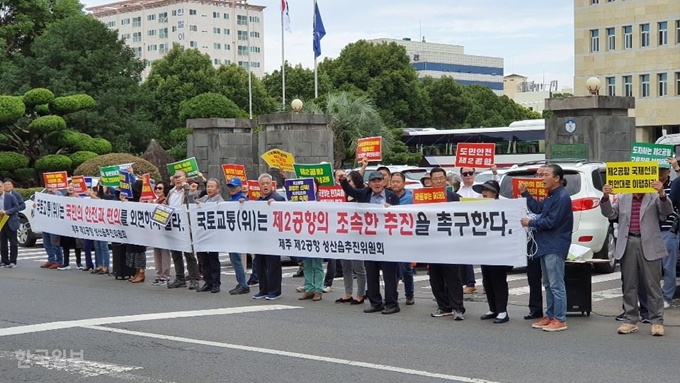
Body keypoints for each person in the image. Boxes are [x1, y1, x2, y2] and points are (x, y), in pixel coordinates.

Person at [600, 179, 672, 337]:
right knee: (629, 283)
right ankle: (630, 319)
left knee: (653, 284)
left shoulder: (653, 196)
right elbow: (610, 214)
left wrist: (661, 194)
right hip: (628, 241)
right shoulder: (623, 196)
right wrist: (605, 198)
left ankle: (657, 321)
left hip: (650, 242)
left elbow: (666, 212)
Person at [520, 164, 573, 332]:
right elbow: (538, 209)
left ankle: (560, 319)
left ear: (556, 178)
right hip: (545, 244)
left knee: (556, 284)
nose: (542, 178)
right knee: (548, 284)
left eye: (546, 175)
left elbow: (551, 222)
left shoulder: (562, 197)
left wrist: (531, 222)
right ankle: (550, 315)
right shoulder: (551, 195)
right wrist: (525, 194)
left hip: (554, 245)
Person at [339, 171, 401, 315]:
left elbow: (400, 215)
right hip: (369, 241)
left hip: (387, 241)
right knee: (371, 272)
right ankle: (376, 302)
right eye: (373, 181)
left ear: (384, 182)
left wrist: (391, 209)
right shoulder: (365, 194)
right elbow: (350, 191)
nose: (377, 183)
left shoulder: (391, 196)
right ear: (370, 183)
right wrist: (343, 181)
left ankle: (392, 303)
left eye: (379, 180)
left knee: (389, 274)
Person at [427, 167, 466, 321]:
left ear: (445, 180)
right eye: (435, 178)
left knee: (453, 276)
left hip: (450, 243)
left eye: (440, 178)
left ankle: (458, 308)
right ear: (430, 181)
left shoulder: (455, 197)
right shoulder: (423, 198)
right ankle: (444, 306)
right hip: (431, 243)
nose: (438, 181)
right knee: (435, 277)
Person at [473, 180, 512, 324]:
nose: (483, 192)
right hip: (485, 249)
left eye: (487, 190)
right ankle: (493, 308)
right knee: (487, 280)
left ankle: (502, 311)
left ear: (494, 193)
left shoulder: (504, 207)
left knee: (498, 280)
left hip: (499, 250)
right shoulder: (478, 207)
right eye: (482, 189)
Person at [249, 173, 286, 300]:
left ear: (272, 185)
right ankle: (263, 289)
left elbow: (284, 210)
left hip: (273, 238)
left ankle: (275, 291)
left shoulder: (277, 198)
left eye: (267, 183)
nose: (265, 185)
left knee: (273, 265)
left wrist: (276, 204)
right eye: (262, 183)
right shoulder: (258, 201)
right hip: (261, 238)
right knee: (260, 264)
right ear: (259, 186)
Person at [336, 170, 367, 305]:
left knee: (358, 267)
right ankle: (348, 293)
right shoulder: (344, 195)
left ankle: (360, 294)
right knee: (346, 266)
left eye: (349, 180)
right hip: (345, 233)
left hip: (358, 235)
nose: (347, 183)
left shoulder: (363, 194)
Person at [166, 170, 200, 290]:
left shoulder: (189, 191)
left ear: (185, 178)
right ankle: (180, 278)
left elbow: (192, 202)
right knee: (175, 254)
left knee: (189, 254)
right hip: (174, 226)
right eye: (175, 177)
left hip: (186, 226)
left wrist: (187, 189)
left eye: (179, 177)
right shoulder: (171, 192)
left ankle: (194, 278)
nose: (177, 179)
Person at [523, 165, 547, 320]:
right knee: (533, 275)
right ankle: (535, 308)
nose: (539, 178)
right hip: (530, 239)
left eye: (543, 175)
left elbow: (540, 211)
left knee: (551, 277)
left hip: (546, 238)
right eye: (537, 175)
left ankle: (555, 309)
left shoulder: (551, 195)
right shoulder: (524, 195)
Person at [195, 179, 224, 293]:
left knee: (213, 259)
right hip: (203, 233)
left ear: (218, 189)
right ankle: (208, 282)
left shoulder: (220, 201)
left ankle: (216, 283)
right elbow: (192, 201)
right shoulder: (204, 199)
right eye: (208, 186)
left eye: (212, 187)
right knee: (204, 259)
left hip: (213, 234)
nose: (209, 189)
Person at [391, 172, 415, 306]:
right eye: (393, 181)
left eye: (397, 181)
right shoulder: (387, 196)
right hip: (391, 236)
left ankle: (409, 294)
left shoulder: (411, 198)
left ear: (403, 183)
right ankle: (392, 293)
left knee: (406, 268)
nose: (395, 184)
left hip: (406, 236)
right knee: (392, 268)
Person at [225, 177, 250, 295]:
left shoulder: (242, 199)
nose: (232, 189)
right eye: (230, 187)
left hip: (239, 235)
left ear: (240, 187)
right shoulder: (232, 199)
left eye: (234, 187)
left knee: (236, 260)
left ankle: (243, 284)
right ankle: (241, 283)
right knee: (234, 260)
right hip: (232, 234)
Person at [121, 180, 147, 283]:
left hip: (141, 228)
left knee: (140, 250)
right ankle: (136, 271)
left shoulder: (143, 199)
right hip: (132, 228)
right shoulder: (132, 199)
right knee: (133, 250)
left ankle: (141, 271)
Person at [57, 185, 83, 270]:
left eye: (72, 186)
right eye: (68, 186)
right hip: (66, 225)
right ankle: (66, 263)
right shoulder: (63, 199)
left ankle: (79, 263)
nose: (70, 188)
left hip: (76, 224)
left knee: (77, 245)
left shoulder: (79, 199)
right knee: (65, 244)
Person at [151, 181, 172, 285]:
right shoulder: (154, 201)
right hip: (155, 231)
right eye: (156, 188)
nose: (157, 190)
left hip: (164, 231)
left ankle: (165, 276)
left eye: (160, 188)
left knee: (164, 253)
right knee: (156, 253)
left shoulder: (167, 201)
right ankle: (159, 275)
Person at [39, 188, 64, 269]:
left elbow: (62, 201)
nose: (50, 188)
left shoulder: (59, 194)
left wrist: (55, 192)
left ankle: (59, 261)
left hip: (55, 223)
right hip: (45, 222)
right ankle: (51, 259)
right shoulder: (43, 195)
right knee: (47, 243)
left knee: (55, 243)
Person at [0, 181, 22, 268]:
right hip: (1, 222)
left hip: (10, 221)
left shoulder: (10, 196)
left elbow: (17, 207)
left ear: (2, 187)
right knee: (2, 243)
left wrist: (7, 212)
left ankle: (13, 261)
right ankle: (4, 261)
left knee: (13, 242)